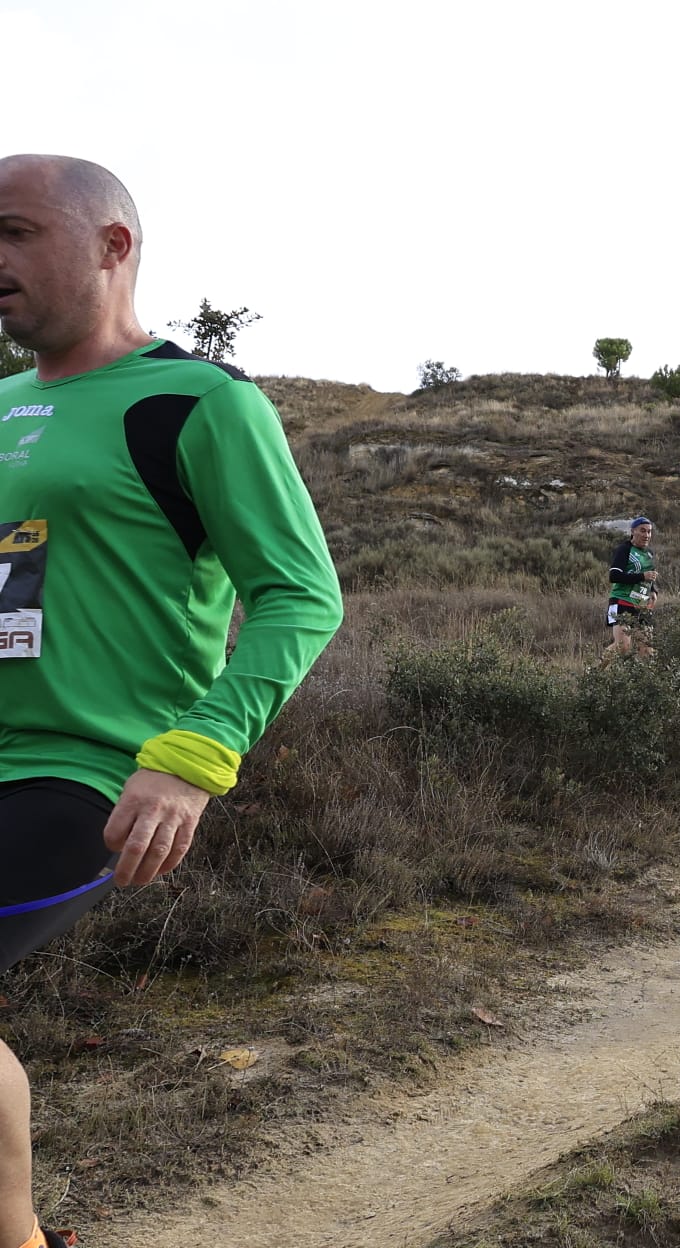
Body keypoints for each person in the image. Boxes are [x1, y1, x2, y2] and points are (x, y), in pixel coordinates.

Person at [0, 154, 343, 1248]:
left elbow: (301, 596)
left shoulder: (195, 401)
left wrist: (194, 754)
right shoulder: (2, 407)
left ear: (113, 246)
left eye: (14, 233)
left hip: (89, 774)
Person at [603, 516, 657, 662]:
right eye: (643, 531)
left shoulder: (648, 553)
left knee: (647, 650)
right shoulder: (625, 549)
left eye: (649, 532)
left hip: (641, 605)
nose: (646, 535)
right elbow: (614, 576)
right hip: (621, 601)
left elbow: (649, 576)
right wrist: (641, 577)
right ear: (633, 531)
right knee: (623, 646)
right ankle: (593, 673)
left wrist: (653, 591)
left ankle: (645, 683)